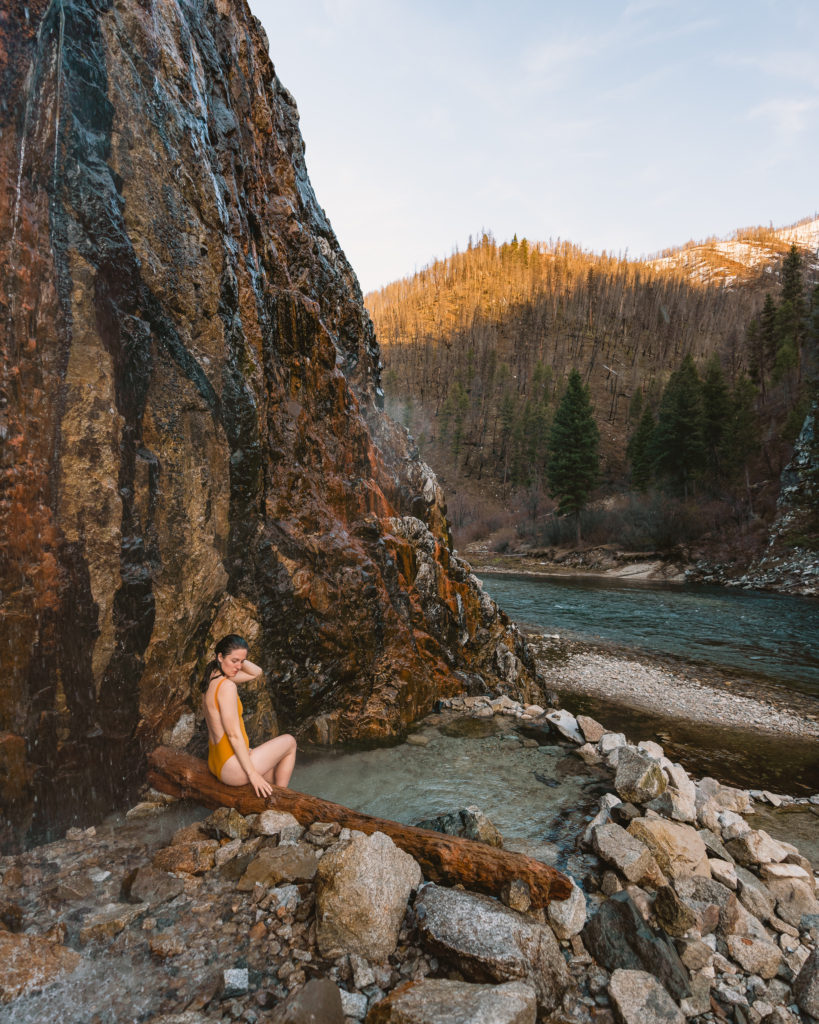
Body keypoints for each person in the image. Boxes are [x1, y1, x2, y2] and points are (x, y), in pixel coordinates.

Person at [202, 634, 296, 798]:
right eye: (234, 661)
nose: (239, 666)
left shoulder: (211, 677)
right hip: (231, 769)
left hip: (216, 762)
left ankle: (271, 798)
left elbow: (256, 672)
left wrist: (237, 656)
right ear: (220, 656)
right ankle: (281, 801)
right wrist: (252, 774)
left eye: (242, 661)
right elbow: (233, 735)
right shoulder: (227, 687)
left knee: (271, 773)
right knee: (290, 742)